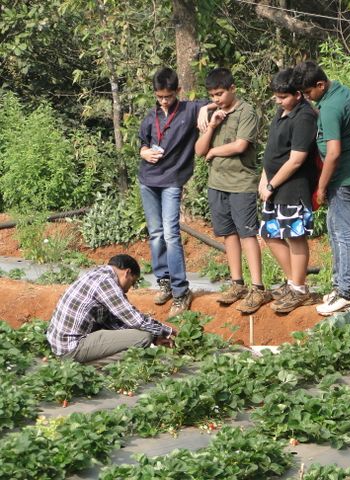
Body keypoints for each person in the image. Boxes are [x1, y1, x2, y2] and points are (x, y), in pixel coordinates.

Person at [194, 67, 270, 314]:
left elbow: (240, 146)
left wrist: (214, 151)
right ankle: (237, 283)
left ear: (232, 88)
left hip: (241, 183)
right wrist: (211, 126)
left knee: (247, 234)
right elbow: (199, 150)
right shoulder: (211, 113)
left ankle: (258, 287)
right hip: (216, 184)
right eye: (212, 95)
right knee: (228, 234)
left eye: (220, 94)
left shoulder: (246, 111)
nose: (216, 99)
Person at [292, 61, 350, 315]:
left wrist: (321, 187)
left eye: (308, 92)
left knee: (343, 233)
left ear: (320, 85)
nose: (307, 97)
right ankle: (340, 285)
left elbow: (333, 153)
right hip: (343, 174)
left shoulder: (331, 108)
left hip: (341, 177)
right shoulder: (339, 91)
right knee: (335, 229)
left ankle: (346, 292)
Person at [138, 67, 208, 317]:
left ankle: (180, 291)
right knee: (156, 234)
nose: (164, 101)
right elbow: (143, 143)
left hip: (171, 181)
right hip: (148, 180)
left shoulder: (189, 110)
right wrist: (144, 152)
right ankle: (164, 282)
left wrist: (205, 111)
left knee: (171, 234)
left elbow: (217, 101)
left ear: (177, 91)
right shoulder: (151, 116)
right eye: (159, 97)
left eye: (168, 96)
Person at [258, 69, 317, 313]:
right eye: (276, 96)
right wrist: (264, 179)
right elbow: (272, 150)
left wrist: (272, 184)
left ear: (298, 95)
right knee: (270, 233)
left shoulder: (304, 117)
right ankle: (293, 282)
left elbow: (296, 160)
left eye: (283, 97)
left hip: (293, 188)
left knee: (295, 236)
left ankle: (299, 289)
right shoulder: (282, 111)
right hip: (274, 188)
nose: (278, 101)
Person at [46, 254, 176, 364]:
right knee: (143, 338)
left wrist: (155, 338)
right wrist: (167, 331)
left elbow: (113, 322)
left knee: (143, 337)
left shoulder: (96, 274)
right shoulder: (105, 282)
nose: (129, 288)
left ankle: (83, 363)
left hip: (60, 344)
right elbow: (135, 320)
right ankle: (89, 367)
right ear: (127, 273)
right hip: (71, 347)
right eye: (132, 282)